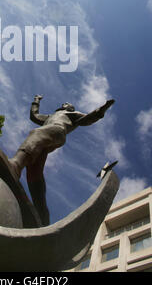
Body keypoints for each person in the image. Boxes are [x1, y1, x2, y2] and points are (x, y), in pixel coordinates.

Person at [9, 95, 115, 226]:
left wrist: (102, 109)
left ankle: (15, 165)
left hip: (57, 132)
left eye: (68, 104)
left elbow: (87, 119)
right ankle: (42, 217)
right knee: (33, 170)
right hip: (43, 138)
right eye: (65, 103)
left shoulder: (73, 114)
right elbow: (34, 116)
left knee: (36, 133)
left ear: (71, 108)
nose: (65, 104)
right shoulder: (49, 116)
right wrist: (36, 100)